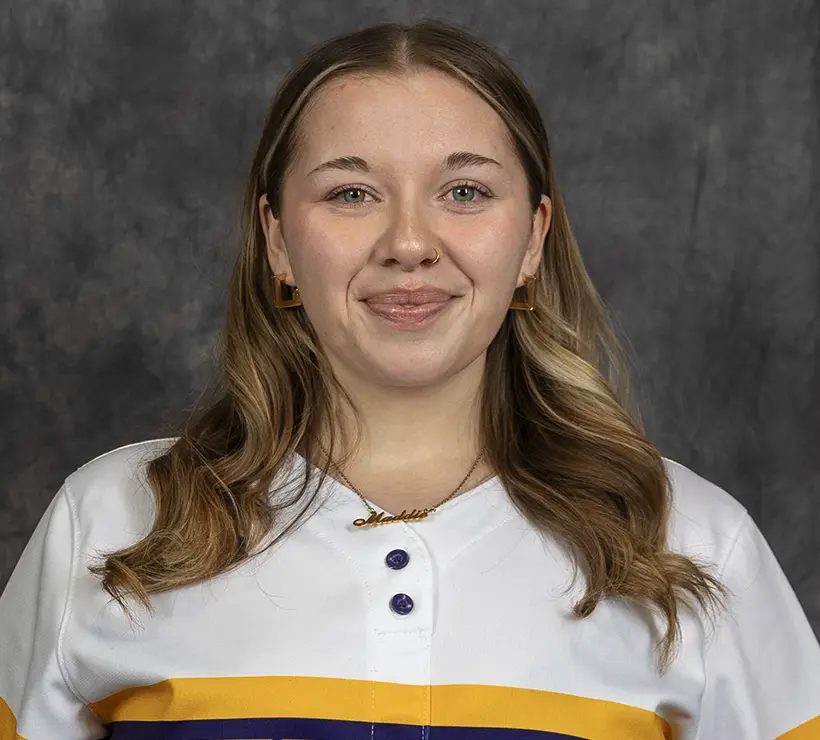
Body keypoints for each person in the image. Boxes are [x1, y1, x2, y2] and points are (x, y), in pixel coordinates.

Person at [1, 17, 818, 740]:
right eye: (352, 192)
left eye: (464, 191)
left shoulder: (692, 545)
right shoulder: (109, 522)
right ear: (278, 239)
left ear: (532, 237)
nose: (410, 243)